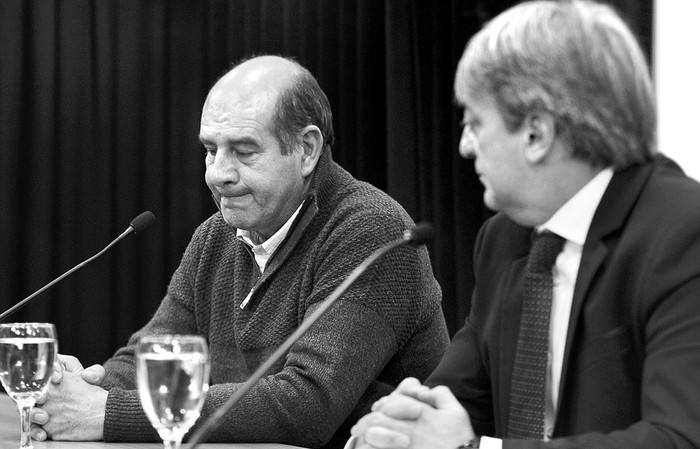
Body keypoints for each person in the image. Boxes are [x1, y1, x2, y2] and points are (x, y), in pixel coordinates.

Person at [31, 55, 450, 449]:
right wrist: (85, 387)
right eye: (211, 150)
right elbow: (156, 355)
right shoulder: (215, 236)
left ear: (306, 150)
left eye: (243, 152)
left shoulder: (370, 231)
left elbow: (307, 404)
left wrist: (104, 412)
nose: (218, 174)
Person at [350, 1, 700, 449]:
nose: (464, 146)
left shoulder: (681, 231)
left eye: (475, 123)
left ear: (536, 135)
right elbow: (452, 400)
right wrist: (395, 430)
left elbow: (681, 439)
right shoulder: (504, 239)